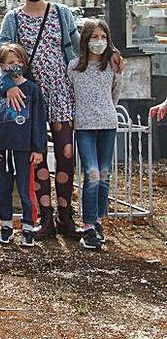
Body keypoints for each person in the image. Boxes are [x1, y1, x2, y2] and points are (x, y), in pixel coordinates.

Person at [0, 0, 121, 239]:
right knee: (37, 157)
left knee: (66, 155)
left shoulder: (61, 13)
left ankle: (66, 215)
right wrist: (9, 84)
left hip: (62, 92)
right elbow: (4, 55)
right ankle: (46, 218)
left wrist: (110, 51)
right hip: (32, 97)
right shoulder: (13, 19)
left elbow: (82, 46)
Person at [0, 44, 47, 247]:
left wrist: (38, 148)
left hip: (23, 151)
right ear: (2, 65)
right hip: (2, 150)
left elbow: (38, 121)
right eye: (11, 62)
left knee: (25, 190)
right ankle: (6, 226)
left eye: (19, 62)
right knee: (2, 190)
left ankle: (28, 227)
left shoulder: (32, 90)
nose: (16, 66)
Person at [68, 19, 123, 250]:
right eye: (94, 37)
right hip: (84, 126)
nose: (99, 42)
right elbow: (70, 95)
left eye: (103, 37)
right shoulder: (74, 67)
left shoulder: (112, 66)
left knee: (104, 173)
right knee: (91, 173)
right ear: (85, 39)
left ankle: (99, 219)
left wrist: (105, 110)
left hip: (108, 123)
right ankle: (88, 224)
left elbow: (116, 93)